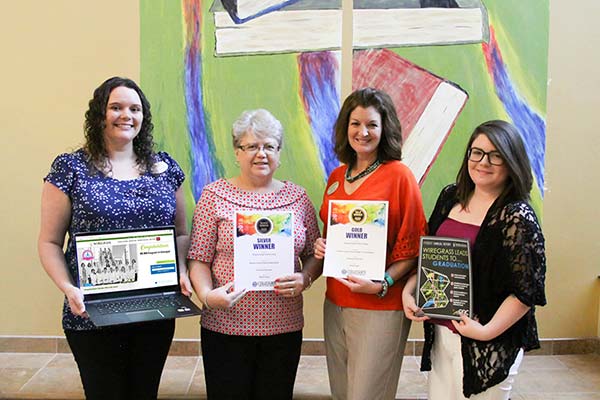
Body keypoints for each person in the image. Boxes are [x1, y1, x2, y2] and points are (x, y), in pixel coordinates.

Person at [38, 76, 191, 400]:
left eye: (135, 108)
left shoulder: (165, 168)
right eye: (116, 107)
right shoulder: (70, 168)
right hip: (92, 313)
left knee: (144, 391)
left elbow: (180, 233)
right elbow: (49, 242)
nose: (126, 115)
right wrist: (67, 287)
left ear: (143, 117)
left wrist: (181, 270)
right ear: (99, 115)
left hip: (154, 309)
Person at [402, 120, 547, 400]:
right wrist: (410, 291)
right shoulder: (450, 197)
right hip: (444, 333)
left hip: (490, 341)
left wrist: (484, 331)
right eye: (477, 152)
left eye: (496, 155)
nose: (483, 162)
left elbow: (526, 291)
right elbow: (431, 256)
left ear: (511, 161)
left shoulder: (517, 217)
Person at [187, 109, 322, 399]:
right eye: (251, 146)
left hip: (283, 326)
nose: (261, 154)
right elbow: (198, 258)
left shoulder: (297, 198)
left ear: (279, 152)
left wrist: (305, 278)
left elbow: (315, 253)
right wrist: (208, 297)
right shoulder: (213, 196)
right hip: (225, 324)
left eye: (269, 146)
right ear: (237, 152)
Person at [313, 87, 428, 400]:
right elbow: (330, 234)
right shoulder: (337, 176)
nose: (362, 132)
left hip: (379, 305)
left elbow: (414, 247)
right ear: (345, 127)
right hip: (335, 302)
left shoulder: (400, 176)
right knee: (342, 391)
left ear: (384, 128)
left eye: (371, 125)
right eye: (355, 123)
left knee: (368, 394)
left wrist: (383, 283)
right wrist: (322, 247)